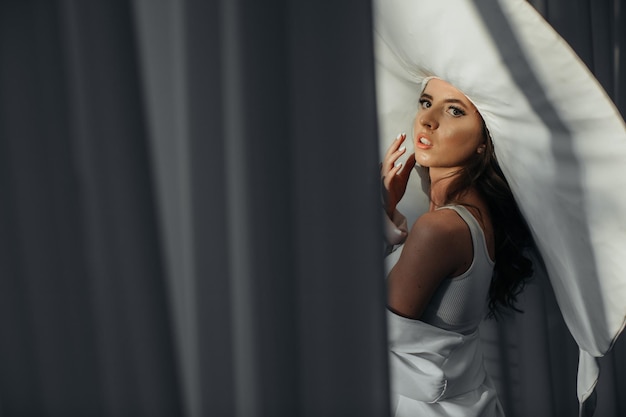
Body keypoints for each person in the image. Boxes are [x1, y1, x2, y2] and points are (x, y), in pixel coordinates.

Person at [380, 77, 533, 416]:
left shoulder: (440, 229)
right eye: (425, 102)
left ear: (483, 141)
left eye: (454, 110)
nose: (428, 119)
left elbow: (366, 336)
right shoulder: (475, 216)